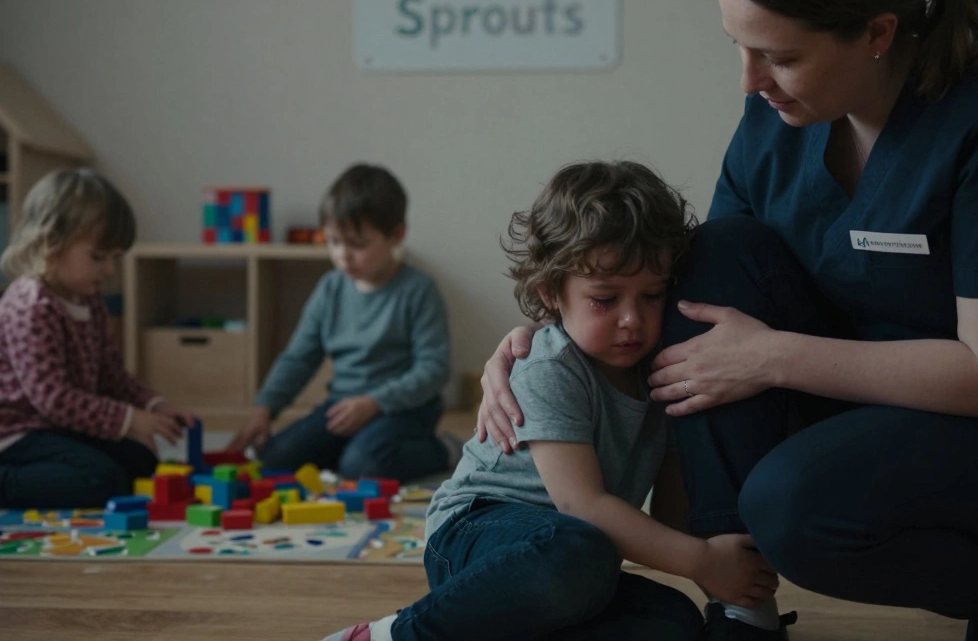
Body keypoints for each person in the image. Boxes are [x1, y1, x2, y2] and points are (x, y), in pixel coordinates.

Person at [476, 0, 978, 640]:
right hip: (866, 404)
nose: (749, 80)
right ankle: (742, 608)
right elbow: (683, 290)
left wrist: (773, 355)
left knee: (794, 508)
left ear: (876, 32)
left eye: (779, 56)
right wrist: (543, 341)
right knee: (717, 254)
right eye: (739, 48)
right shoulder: (776, 119)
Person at [323, 160, 774, 641]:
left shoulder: (661, 371)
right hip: (475, 534)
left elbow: (667, 516)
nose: (632, 320)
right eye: (605, 299)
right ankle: (395, 634)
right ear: (551, 292)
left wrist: (721, 557)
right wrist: (703, 562)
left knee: (672, 621)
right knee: (580, 550)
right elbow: (584, 506)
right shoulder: (550, 365)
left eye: (652, 295)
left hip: (572, 558)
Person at [0, 169, 196, 509]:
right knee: (101, 480)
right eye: (98, 257)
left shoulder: (88, 300)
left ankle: (44, 471)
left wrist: (154, 405)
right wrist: (128, 420)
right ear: (52, 243)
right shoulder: (31, 306)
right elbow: (54, 399)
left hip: (56, 426)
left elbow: (111, 376)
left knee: (141, 461)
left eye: (114, 258)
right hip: (11, 433)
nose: (109, 270)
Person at [227, 163, 456, 482]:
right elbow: (299, 357)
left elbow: (434, 368)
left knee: (363, 466)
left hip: (403, 409)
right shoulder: (330, 289)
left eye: (357, 245)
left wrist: (375, 402)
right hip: (342, 407)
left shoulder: (418, 289)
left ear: (396, 235)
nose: (343, 255)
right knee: (272, 460)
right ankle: (350, 449)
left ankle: (442, 449)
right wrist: (265, 409)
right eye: (333, 241)